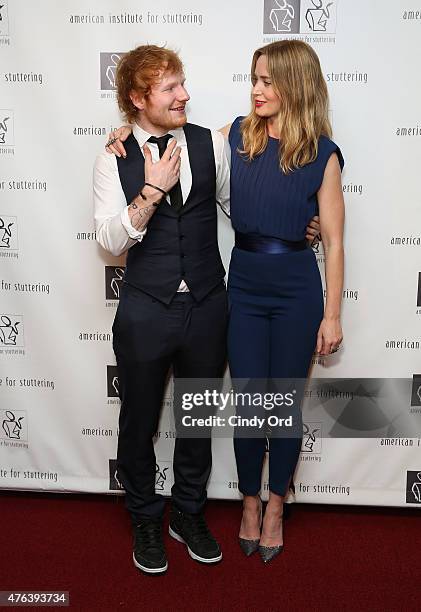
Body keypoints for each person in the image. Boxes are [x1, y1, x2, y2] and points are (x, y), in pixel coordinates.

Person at [101, 44, 323, 572]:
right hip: (144, 308)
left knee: (196, 416)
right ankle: (143, 518)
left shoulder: (210, 144)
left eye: (183, 83)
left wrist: (299, 226)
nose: (185, 95)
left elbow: (236, 201)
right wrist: (151, 191)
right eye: (170, 88)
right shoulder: (112, 155)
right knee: (138, 420)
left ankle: (188, 512)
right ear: (137, 98)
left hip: (207, 305)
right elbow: (110, 239)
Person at [221, 40, 344, 563]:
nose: (256, 90)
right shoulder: (233, 134)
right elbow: (172, 140)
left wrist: (333, 313)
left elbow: (335, 240)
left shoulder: (322, 153)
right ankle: (248, 503)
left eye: (268, 81)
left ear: (295, 85)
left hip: (296, 288)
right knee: (249, 404)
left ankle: (276, 507)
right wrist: (123, 137)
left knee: (284, 407)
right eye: (254, 78)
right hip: (244, 283)